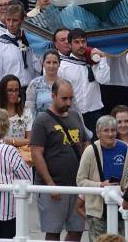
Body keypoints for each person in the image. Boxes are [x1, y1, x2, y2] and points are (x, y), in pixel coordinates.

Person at [30, 79, 88, 241]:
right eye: (64, 98)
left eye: (71, 98)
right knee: (53, 232)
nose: (68, 102)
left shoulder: (76, 116)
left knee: (77, 230)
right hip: (53, 186)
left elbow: (85, 144)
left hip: (77, 186)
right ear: (53, 96)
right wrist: (50, 184)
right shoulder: (42, 120)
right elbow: (36, 154)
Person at [0, 108, 33, 239]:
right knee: (9, 237)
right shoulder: (9, 150)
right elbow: (25, 176)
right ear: (5, 126)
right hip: (7, 206)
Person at [76, 115, 128, 241]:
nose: (110, 134)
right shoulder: (90, 151)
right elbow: (80, 181)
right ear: (98, 133)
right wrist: (101, 185)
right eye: (106, 130)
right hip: (97, 212)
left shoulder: (126, 149)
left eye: (113, 130)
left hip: (121, 208)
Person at [57, 28, 110, 133]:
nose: (81, 45)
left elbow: (104, 80)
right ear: (70, 45)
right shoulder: (63, 66)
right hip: (73, 114)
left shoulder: (94, 61)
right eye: (76, 42)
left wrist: (102, 57)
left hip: (95, 113)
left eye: (83, 41)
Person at [0, 1, 41, 94]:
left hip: (30, 90)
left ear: (22, 20)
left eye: (15, 20)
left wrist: (33, 47)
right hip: (10, 92)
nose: (11, 24)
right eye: (8, 20)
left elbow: (38, 68)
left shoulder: (29, 41)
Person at [25, 49, 60, 121]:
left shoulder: (64, 84)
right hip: (40, 126)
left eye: (55, 62)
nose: (51, 66)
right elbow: (29, 110)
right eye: (48, 62)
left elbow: (73, 108)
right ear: (43, 63)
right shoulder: (34, 84)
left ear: (59, 64)